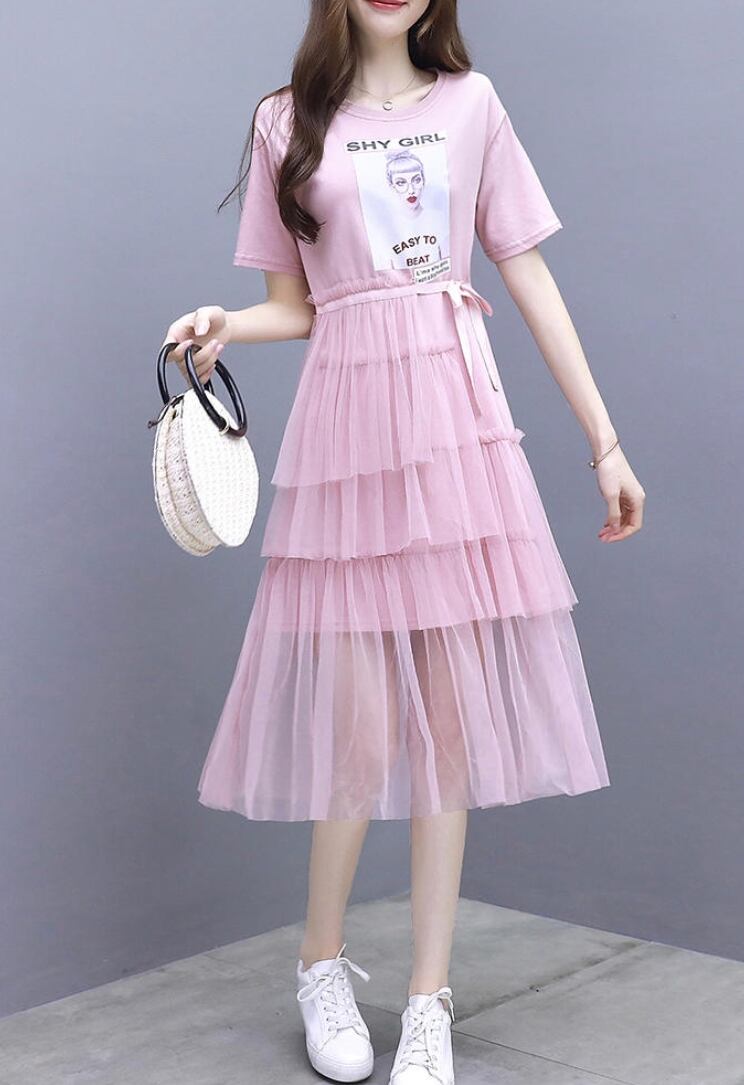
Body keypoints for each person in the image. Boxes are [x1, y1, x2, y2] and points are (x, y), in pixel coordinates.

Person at [161, 2, 645, 1082]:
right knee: (361, 721)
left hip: (456, 433)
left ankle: (430, 999)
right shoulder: (285, 119)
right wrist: (228, 323)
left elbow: (526, 270)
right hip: (351, 439)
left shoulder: (473, 105)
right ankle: (320, 962)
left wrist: (604, 441)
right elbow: (299, 304)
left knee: (451, 721)